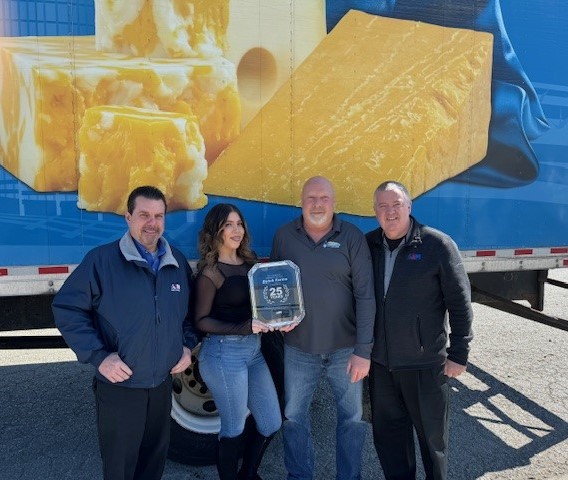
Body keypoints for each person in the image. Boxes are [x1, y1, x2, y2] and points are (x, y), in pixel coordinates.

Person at [52, 186, 198, 480]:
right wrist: (99, 356)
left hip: (161, 386)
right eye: (144, 215)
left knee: (153, 464)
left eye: (158, 216)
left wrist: (186, 345)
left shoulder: (177, 263)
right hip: (120, 387)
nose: (151, 223)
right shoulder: (102, 261)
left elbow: (189, 315)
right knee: (120, 467)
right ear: (128, 217)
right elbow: (67, 308)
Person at [366, 181, 474, 480]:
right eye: (383, 206)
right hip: (382, 366)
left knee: (432, 444)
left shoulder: (437, 245)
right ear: (374, 212)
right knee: (390, 443)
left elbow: (460, 303)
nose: (390, 212)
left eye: (396, 204)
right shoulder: (368, 245)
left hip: (425, 366)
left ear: (409, 206)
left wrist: (459, 354)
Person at [271, 176, 375, 480]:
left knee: (352, 420)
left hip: (346, 350)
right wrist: (276, 321)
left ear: (334, 202)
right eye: (311, 198)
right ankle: (299, 476)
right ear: (301, 202)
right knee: (293, 418)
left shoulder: (352, 237)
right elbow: (274, 287)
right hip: (299, 349)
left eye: (324, 198)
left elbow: (366, 296)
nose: (317, 204)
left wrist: (363, 351)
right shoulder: (284, 236)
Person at [194, 203, 282, 480]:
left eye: (239, 224)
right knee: (233, 428)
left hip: (253, 353)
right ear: (215, 231)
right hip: (223, 355)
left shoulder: (251, 262)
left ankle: (248, 474)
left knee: (270, 422)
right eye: (228, 225)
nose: (236, 230)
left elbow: (264, 304)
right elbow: (202, 321)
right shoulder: (211, 272)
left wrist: (280, 318)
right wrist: (244, 327)